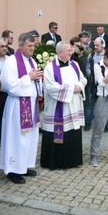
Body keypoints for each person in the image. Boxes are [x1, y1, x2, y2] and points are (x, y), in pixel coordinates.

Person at [0, 32, 43, 184]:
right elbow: (9, 85)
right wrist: (29, 78)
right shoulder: (11, 62)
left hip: (31, 104)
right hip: (17, 105)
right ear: (20, 46)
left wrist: (38, 82)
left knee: (30, 137)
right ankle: (13, 169)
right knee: (17, 138)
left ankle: (24, 166)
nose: (32, 48)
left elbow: (34, 79)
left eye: (33, 45)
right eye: (29, 46)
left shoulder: (31, 61)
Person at [41, 41, 87, 169]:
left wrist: (80, 86)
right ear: (59, 52)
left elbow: (83, 79)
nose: (70, 52)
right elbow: (51, 87)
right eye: (68, 50)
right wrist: (73, 89)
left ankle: (73, 160)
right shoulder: (50, 68)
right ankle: (57, 162)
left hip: (74, 105)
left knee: (73, 131)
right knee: (61, 131)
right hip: (59, 107)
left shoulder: (75, 64)